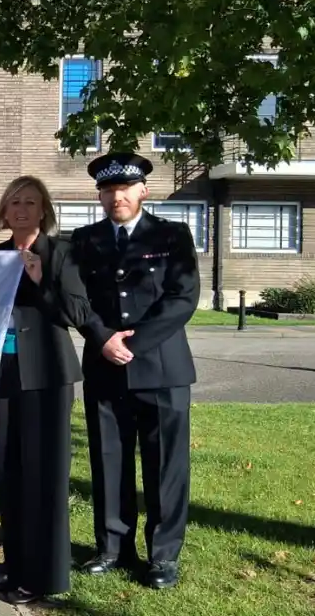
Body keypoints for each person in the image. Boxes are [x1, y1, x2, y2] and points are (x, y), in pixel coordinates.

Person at [70, 152, 200, 590]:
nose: (116, 197)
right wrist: (103, 337)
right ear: (100, 195)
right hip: (105, 366)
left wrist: (134, 343)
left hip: (162, 368)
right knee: (109, 460)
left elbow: (183, 297)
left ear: (144, 190)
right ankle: (112, 547)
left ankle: (163, 556)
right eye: (107, 190)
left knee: (165, 465)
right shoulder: (84, 240)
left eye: (124, 188)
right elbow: (76, 298)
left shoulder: (172, 235)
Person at [0, 176, 91, 605]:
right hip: (4, 377)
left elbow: (78, 312)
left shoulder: (61, 252)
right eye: (15, 202)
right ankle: (16, 565)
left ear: (44, 209)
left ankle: (46, 575)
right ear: (5, 212)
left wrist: (42, 279)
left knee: (44, 476)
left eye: (31, 202)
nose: (23, 209)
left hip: (47, 376)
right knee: (10, 474)